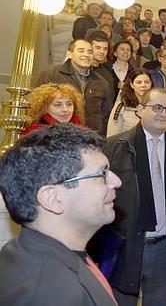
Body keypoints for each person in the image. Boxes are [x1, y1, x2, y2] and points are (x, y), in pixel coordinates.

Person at [0, 123, 121, 306]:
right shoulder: (48, 293)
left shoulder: (47, 250)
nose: (117, 181)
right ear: (52, 198)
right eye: (102, 173)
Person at [103, 88, 166, 306]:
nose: (163, 113)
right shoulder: (113, 147)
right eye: (157, 107)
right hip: (125, 247)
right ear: (139, 109)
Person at [34, 39, 114, 137]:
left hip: (91, 138)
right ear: (69, 54)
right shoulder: (51, 74)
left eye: (90, 52)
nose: (86, 55)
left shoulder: (101, 82)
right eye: (81, 50)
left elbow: (106, 116)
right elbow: (38, 107)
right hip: (55, 136)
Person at [107, 68, 152, 137]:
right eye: (139, 82)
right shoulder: (122, 107)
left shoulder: (155, 106)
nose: (143, 85)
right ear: (131, 85)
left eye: (147, 82)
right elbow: (112, 135)